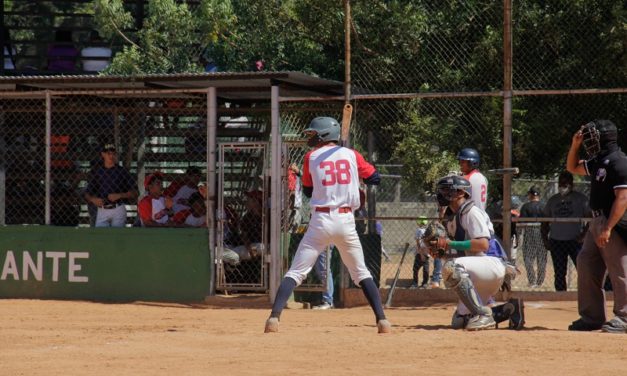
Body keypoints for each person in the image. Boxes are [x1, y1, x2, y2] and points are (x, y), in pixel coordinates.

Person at [264, 116, 391, 334]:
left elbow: (308, 191)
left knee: (296, 272)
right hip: (346, 220)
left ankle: (273, 319)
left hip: (320, 221)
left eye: (313, 134)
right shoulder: (352, 155)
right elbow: (375, 178)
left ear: (323, 135)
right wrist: (355, 177)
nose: (310, 137)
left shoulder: (310, 157)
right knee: (361, 273)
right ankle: (382, 321)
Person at [428, 175, 524, 330]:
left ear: (460, 193)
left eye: (447, 190)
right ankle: (511, 309)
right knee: (460, 322)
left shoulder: (471, 212)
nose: (442, 194)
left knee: (452, 267)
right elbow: (463, 255)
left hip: (491, 263)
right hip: (479, 271)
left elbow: (483, 244)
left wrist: (450, 243)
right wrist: (441, 254)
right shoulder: (453, 217)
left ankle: (484, 315)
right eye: (442, 190)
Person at [566, 119, 627, 333]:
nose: (588, 141)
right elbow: (572, 167)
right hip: (597, 220)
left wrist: (609, 227)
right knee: (586, 262)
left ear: (604, 138)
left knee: (619, 268)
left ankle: (625, 317)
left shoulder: (619, 161)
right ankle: (592, 317)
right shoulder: (599, 161)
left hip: (614, 221)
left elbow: (623, 197)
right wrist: (574, 145)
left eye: (591, 137)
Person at [541, 171, 591, 291]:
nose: (562, 185)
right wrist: (545, 239)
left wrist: (584, 235)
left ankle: (585, 294)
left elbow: (591, 219)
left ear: (571, 184)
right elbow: (544, 221)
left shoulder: (581, 199)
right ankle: (561, 296)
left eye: (565, 183)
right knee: (559, 273)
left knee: (583, 271)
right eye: (560, 183)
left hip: (575, 241)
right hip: (557, 241)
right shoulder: (553, 200)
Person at [84, 143, 137, 227]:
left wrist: (120, 195)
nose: (111, 156)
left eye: (113, 153)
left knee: (117, 237)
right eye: (108, 153)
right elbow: (87, 194)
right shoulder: (97, 172)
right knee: (101, 237)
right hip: (102, 209)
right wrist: (93, 199)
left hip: (118, 208)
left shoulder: (122, 171)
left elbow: (135, 192)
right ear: (103, 154)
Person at [519, 186, 547, 287]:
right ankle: (540, 281)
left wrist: (519, 236)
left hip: (530, 234)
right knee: (542, 258)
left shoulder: (526, 206)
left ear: (531, 195)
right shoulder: (544, 206)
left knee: (528, 258)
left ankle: (532, 281)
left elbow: (521, 222)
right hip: (542, 234)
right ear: (538, 195)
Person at [410, 216, 430, 288]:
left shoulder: (419, 230)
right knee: (425, 269)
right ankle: (423, 283)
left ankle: (416, 283)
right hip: (425, 253)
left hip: (421, 253)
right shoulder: (428, 230)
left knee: (417, 269)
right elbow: (418, 243)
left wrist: (421, 254)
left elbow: (418, 243)